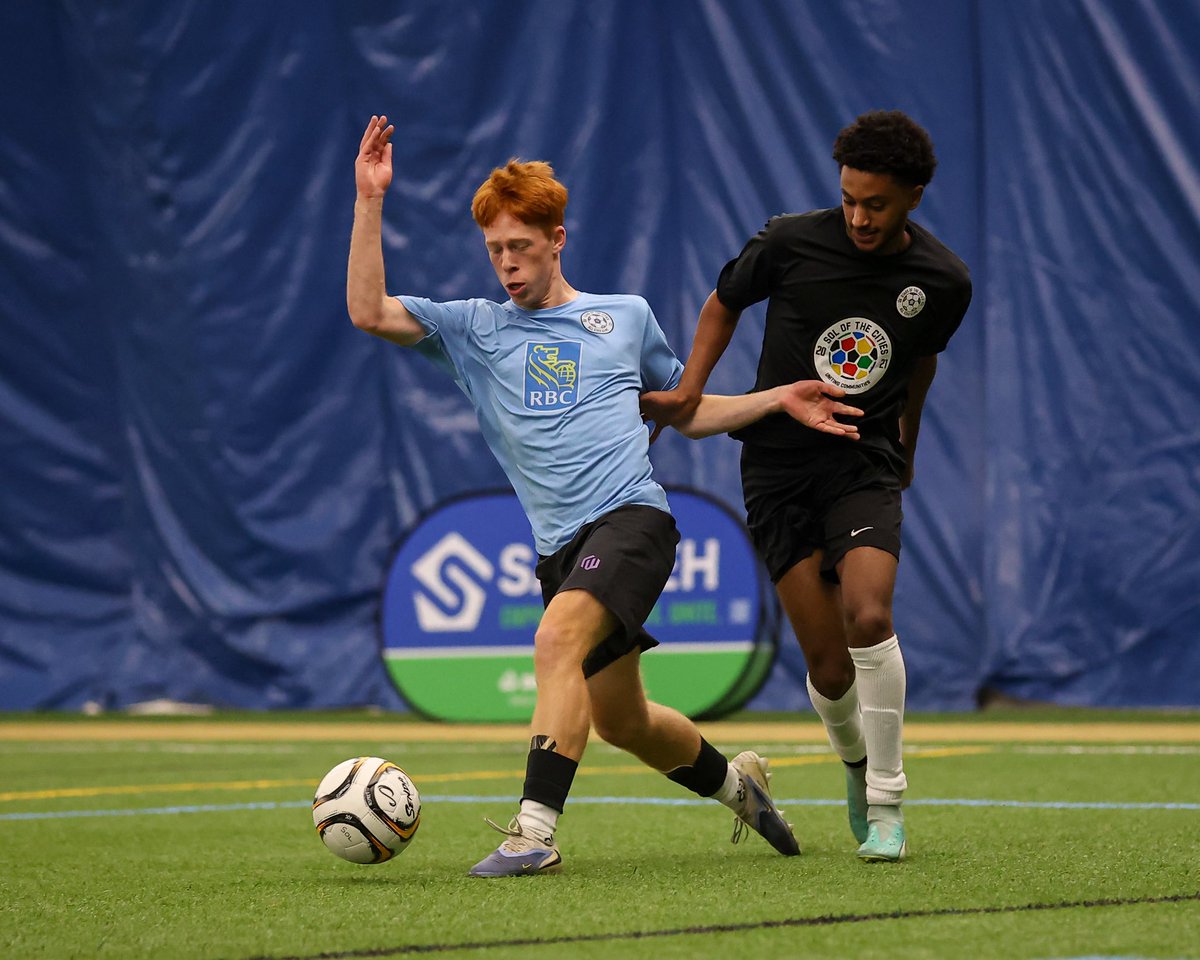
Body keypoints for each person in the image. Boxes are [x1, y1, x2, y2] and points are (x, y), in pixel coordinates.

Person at [347, 115, 864, 877]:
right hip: (561, 549)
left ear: (558, 239)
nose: (507, 265)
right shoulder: (472, 330)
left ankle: (532, 834)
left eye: (521, 246)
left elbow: (682, 412)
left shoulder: (623, 317)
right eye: (494, 250)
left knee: (555, 642)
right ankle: (740, 787)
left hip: (633, 520)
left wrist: (775, 397)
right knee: (623, 720)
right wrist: (369, 200)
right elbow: (368, 310)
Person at [642, 110, 972, 863]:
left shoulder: (944, 281)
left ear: (914, 196)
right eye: (849, 198)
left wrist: (907, 442)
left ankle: (887, 801)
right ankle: (855, 764)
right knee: (827, 666)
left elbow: (920, 360)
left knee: (869, 612)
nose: (859, 216)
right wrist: (690, 394)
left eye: (876, 204)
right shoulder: (789, 241)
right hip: (779, 468)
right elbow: (723, 302)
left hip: (863, 463)